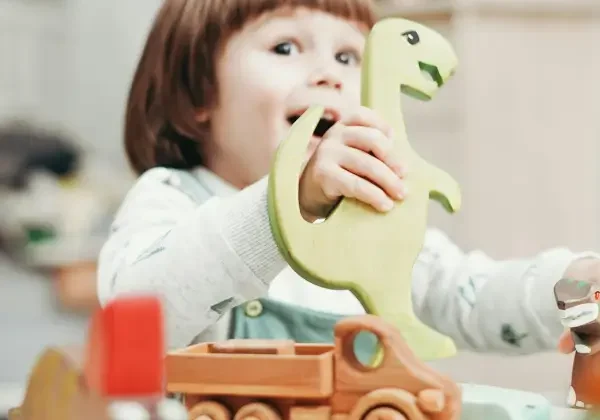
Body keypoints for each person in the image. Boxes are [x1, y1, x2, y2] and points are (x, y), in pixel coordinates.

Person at [97, 0, 596, 356]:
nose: (328, 75)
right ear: (197, 92)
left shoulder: (373, 211)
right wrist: (289, 201)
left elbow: (467, 293)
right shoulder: (169, 198)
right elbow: (134, 320)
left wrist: (576, 287)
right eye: (286, 47)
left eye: (347, 57)